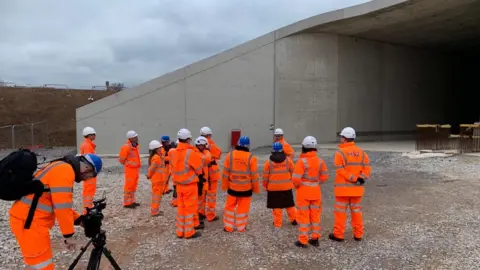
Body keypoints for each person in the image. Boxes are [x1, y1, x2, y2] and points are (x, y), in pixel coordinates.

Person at [9, 153, 103, 269]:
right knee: (42, 266)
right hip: (30, 223)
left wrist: (80, 220)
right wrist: (69, 236)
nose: (86, 179)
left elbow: (57, 203)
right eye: (90, 176)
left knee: (35, 264)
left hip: (26, 218)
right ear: (87, 168)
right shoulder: (65, 171)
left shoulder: (60, 165)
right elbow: (62, 207)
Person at [329, 127, 371, 242]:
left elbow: (340, 170)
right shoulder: (362, 153)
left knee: (340, 213)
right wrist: (361, 178)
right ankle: (358, 235)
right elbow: (367, 168)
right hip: (357, 189)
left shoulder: (340, 153)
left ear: (344, 139)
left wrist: (352, 178)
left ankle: (338, 235)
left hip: (343, 190)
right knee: (356, 212)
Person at [292, 136, 329, 248]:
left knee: (303, 217)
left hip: (303, 193)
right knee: (315, 216)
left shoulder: (301, 162)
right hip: (316, 192)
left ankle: (303, 241)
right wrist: (316, 183)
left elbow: (295, 179)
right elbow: (324, 177)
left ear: (303, 147)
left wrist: (299, 186)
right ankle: (315, 238)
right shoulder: (320, 161)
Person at [170, 129, 204, 239]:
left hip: (179, 185)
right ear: (188, 139)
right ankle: (189, 232)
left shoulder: (173, 152)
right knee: (190, 209)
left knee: (181, 209)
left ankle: (180, 232)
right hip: (190, 185)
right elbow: (199, 170)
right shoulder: (191, 153)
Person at [221, 136, 259, 232]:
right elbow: (254, 176)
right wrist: (255, 189)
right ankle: (241, 227)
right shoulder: (251, 157)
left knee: (229, 207)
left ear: (238, 144)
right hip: (246, 189)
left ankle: (228, 227)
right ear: (248, 146)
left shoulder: (229, 156)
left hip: (232, 187)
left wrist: (225, 186)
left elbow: (225, 173)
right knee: (243, 208)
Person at [262, 142, 297, 229]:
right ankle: (294, 220)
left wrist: (265, 186)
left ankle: (278, 224)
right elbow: (294, 172)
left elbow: (265, 177)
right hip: (286, 187)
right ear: (282, 150)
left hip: (273, 189)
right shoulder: (288, 160)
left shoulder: (268, 163)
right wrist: (293, 183)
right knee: (289, 205)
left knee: (277, 206)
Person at [200, 127, 222, 222]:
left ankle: (201, 213)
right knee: (211, 195)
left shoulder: (197, 144)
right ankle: (210, 215)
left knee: (202, 194)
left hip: (202, 173)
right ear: (209, 135)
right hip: (212, 173)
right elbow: (218, 154)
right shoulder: (210, 144)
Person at [193, 136, 212, 229]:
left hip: (202, 180)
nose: (204, 147)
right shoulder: (198, 154)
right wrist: (207, 151)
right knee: (198, 200)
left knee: (202, 199)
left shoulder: (198, 152)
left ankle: (200, 214)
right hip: (199, 180)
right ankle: (197, 218)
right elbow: (207, 159)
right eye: (203, 145)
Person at [119, 130, 141, 208]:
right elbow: (121, 159)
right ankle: (127, 203)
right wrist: (129, 164)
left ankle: (132, 201)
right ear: (131, 138)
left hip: (135, 169)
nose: (137, 138)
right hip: (130, 169)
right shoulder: (126, 147)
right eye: (135, 137)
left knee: (133, 186)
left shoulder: (135, 145)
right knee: (129, 186)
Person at [146, 140, 166, 217]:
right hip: (158, 180)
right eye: (159, 148)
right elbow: (152, 169)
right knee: (156, 197)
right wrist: (149, 175)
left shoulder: (158, 157)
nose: (161, 149)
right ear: (155, 149)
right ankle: (154, 212)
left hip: (159, 180)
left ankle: (156, 210)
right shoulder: (156, 158)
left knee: (157, 196)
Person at [80, 126, 97, 214]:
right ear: (89, 135)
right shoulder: (87, 146)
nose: (95, 136)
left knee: (89, 190)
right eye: (94, 134)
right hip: (89, 172)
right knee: (89, 190)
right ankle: (87, 209)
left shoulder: (87, 144)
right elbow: (89, 160)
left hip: (88, 172)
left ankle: (88, 208)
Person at [169, 139, 179, 207]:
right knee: (176, 187)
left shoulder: (172, 151)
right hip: (177, 173)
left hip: (174, 172)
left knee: (175, 187)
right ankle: (175, 202)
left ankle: (174, 201)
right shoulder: (175, 152)